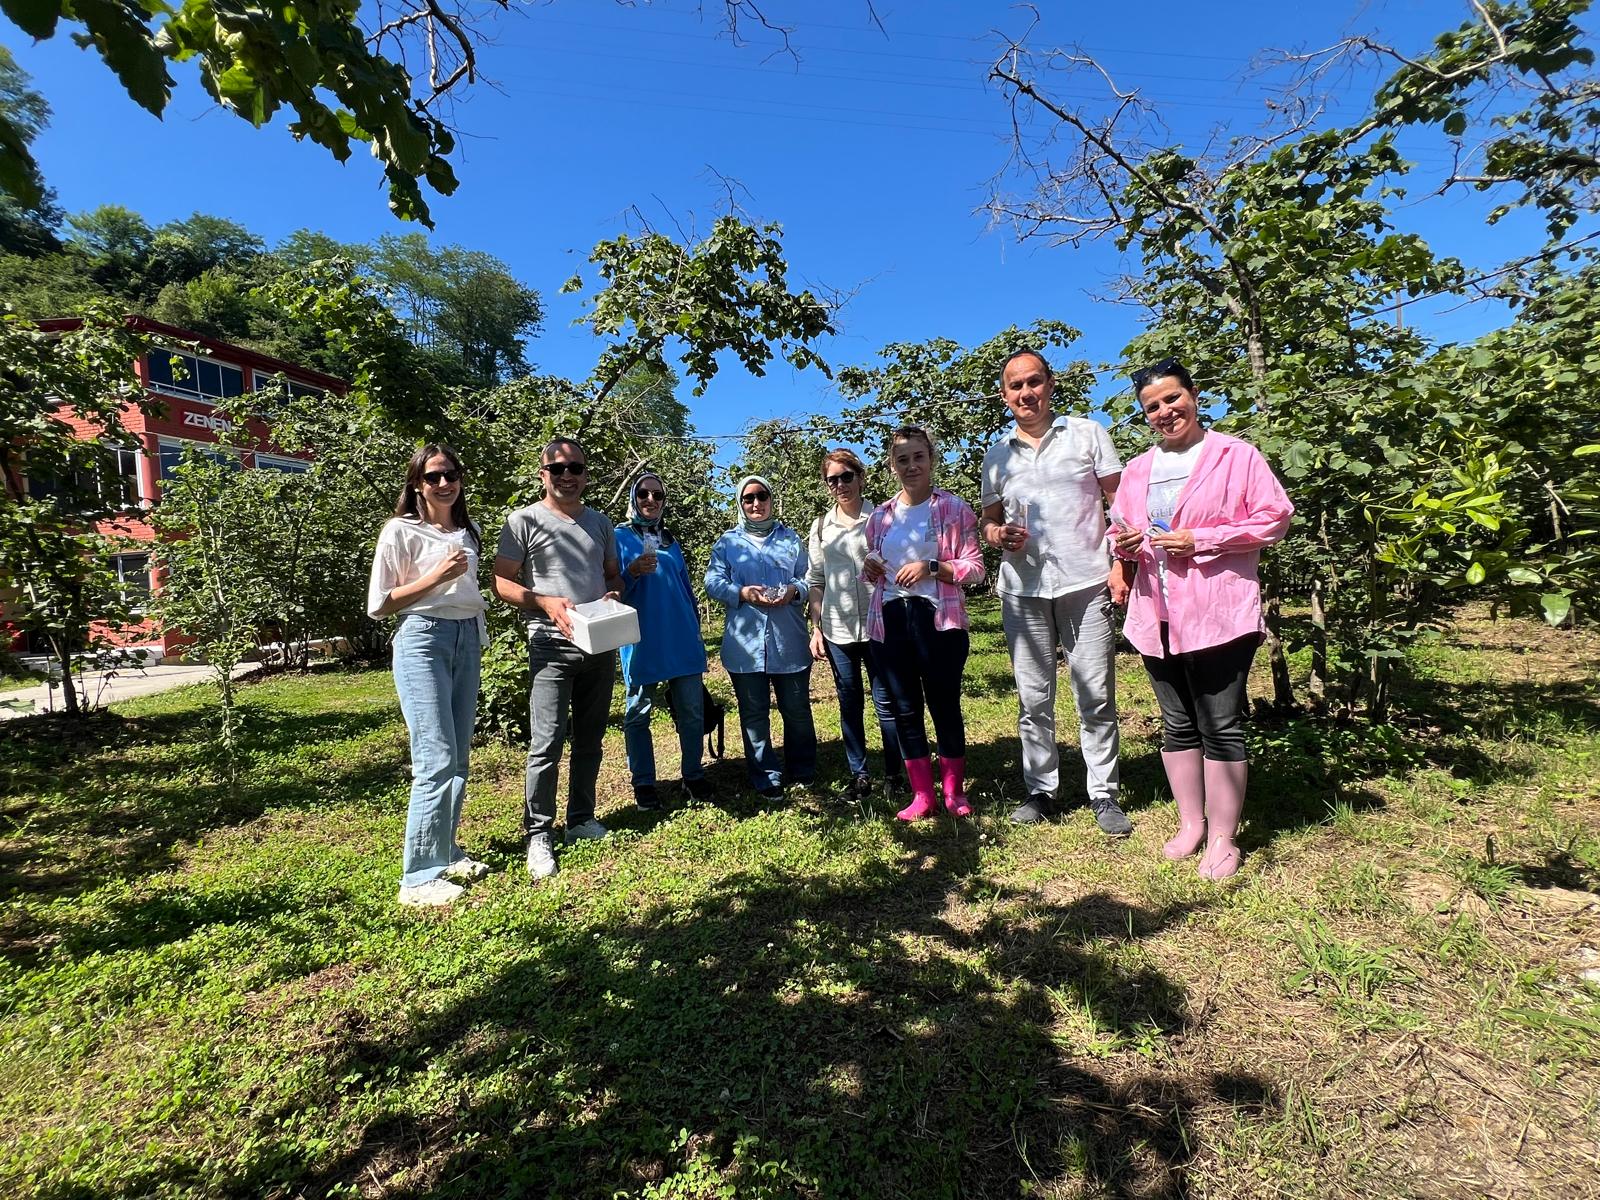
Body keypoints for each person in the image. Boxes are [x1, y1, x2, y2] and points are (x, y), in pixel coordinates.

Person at [1111, 357, 1294, 880]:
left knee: (1220, 724)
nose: (1165, 411)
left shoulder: (1235, 456)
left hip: (1218, 610)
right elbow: (1121, 525)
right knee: (1176, 723)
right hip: (1156, 612)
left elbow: (1273, 517)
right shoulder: (1140, 469)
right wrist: (1122, 543)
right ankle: (1191, 823)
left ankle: (1223, 837)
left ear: (1193, 396)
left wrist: (1204, 540)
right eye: (1153, 406)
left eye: (1172, 398)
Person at [979, 349, 1134, 835]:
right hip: (1023, 589)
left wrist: (1120, 564)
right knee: (1033, 697)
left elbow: (1121, 501)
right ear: (1005, 396)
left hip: (1086, 583)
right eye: (1015, 386)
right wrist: (997, 537)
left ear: (1050, 384)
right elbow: (989, 521)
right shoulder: (996, 454)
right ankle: (1042, 790)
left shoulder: (1088, 434)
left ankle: (1103, 792)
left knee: (1095, 692)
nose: (1026, 393)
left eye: (1034, 382)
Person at [492, 436, 623, 880]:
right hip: (549, 644)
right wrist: (544, 602)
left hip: (598, 643)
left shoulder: (600, 523)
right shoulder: (523, 520)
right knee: (545, 742)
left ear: (586, 475)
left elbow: (611, 575)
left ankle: (581, 819)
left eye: (576, 469)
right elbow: (502, 583)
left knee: (590, 738)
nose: (567, 476)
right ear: (542, 474)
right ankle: (539, 834)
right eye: (558, 469)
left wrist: (613, 597)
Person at [367, 444, 489, 907]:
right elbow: (380, 605)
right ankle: (417, 877)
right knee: (435, 756)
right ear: (417, 483)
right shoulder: (400, 530)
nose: (444, 483)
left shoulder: (468, 530)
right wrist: (436, 576)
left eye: (451, 474)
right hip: (422, 638)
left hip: (466, 637)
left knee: (458, 756)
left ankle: (446, 852)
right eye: (434, 476)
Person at [862, 427, 986, 821]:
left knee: (944, 705)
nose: (911, 465)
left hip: (939, 620)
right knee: (904, 708)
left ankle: (953, 792)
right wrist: (869, 567)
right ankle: (921, 795)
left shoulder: (953, 509)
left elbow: (976, 569)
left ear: (931, 458)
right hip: (890, 621)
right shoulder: (880, 516)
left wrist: (932, 567)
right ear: (891, 465)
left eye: (918, 456)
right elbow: (875, 574)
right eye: (902, 459)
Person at [704, 475, 817, 799]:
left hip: (788, 642)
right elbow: (713, 582)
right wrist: (741, 592)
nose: (756, 503)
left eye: (761, 496)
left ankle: (803, 768)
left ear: (770, 498)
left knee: (796, 708)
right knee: (753, 713)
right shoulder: (728, 542)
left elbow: (809, 578)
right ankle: (766, 775)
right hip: (745, 644)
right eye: (748, 498)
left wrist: (795, 591)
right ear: (740, 503)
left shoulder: (790, 539)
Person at [807, 449, 903, 798]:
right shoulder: (820, 527)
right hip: (837, 628)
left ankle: (894, 774)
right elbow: (816, 580)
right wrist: (816, 627)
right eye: (833, 479)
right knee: (849, 701)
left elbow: (895, 567)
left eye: (846, 476)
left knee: (885, 701)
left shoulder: (882, 517)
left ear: (860, 477)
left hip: (878, 624)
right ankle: (859, 775)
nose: (840, 485)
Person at [616, 470, 712, 810]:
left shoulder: (670, 541)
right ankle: (644, 784)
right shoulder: (619, 537)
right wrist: (632, 573)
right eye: (644, 494)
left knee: (691, 710)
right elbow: (610, 590)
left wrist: (698, 631)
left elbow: (686, 589)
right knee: (638, 712)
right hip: (641, 639)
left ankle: (693, 775)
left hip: (681, 635)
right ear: (633, 497)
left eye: (657, 495)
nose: (651, 500)